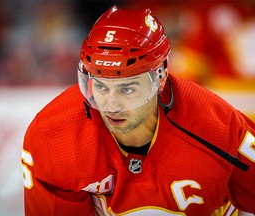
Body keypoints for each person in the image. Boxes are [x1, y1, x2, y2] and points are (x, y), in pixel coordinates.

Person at [21, 6, 255, 215]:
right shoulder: (52, 137)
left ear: (160, 77)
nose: (110, 105)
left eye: (127, 89)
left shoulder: (219, 127)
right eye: (101, 86)